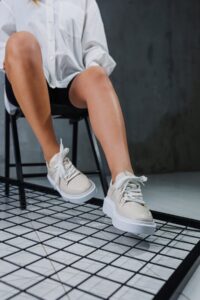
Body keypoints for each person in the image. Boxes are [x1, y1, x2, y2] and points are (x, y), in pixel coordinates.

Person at [0, 0, 156, 235]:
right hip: (26, 82)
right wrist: (18, 58)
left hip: (70, 82)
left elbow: (95, 49)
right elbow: (2, 46)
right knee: (21, 42)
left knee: (98, 75)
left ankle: (121, 184)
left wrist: (93, 74)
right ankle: (54, 159)